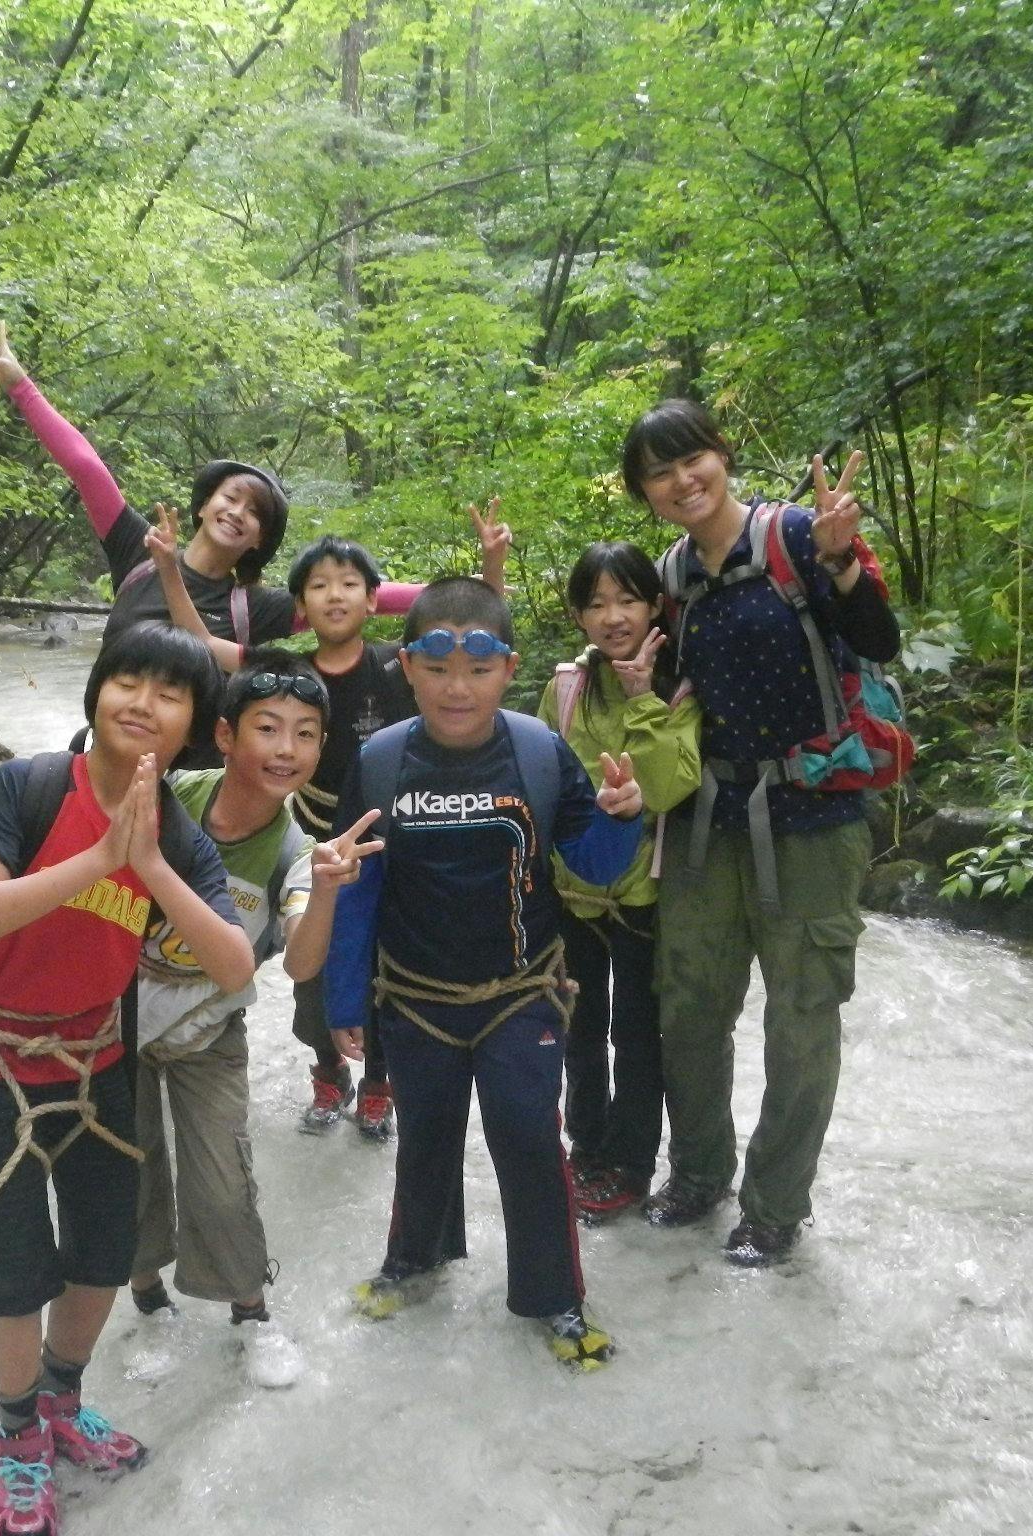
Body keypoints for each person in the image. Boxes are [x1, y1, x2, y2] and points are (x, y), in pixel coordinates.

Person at [0, 622, 253, 1536]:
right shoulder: (28, 786)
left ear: (196, 725)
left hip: (93, 1059)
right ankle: (16, 1438)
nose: (142, 703)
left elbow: (234, 967)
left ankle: (61, 1400)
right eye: (128, 681)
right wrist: (102, 861)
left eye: (169, 692)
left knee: (105, 1250)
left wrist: (149, 863)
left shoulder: (179, 838)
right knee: (12, 1266)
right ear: (98, 690)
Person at [323, 578, 645, 1370]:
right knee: (425, 1135)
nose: (456, 688)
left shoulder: (537, 753)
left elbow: (594, 864)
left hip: (521, 993)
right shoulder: (380, 761)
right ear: (407, 667)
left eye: (477, 669)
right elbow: (356, 891)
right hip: (414, 998)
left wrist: (623, 816)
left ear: (509, 669)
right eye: (436, 668)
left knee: (528, 1136)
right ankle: (415, 1259)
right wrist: (343, 998)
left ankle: (555, 1297)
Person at [620, 399, 900, 1267]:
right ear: (645, 494)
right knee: (691, 1009)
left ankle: (775, 1206)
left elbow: (878, 640)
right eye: (659, 474)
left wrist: (843, 559)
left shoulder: (800, 539)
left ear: (721, 453)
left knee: (802, 1020)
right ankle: (699, 1174)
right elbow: (665, 689)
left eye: (691, 459)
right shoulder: (672, 578)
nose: (682, 482)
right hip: (707, 821)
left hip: (812, 818)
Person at [127, 651, 380, 1389]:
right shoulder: (170, 796)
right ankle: (148, 1300)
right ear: (225, 735)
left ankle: (251, 1313)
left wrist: (327, 891)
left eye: (306, 734)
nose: (285, 749)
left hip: (209, 1031)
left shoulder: (299, 852)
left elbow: (300, 964)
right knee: (129, 1166)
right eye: (266, 728)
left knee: (222, 1181)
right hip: (116, 1025)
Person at [0, 320, 427, 670]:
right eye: (230, 498)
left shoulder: (253, 607)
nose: (237, 512)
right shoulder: (141, 549)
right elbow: (87, 468)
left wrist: (456, 593)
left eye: (254, 513)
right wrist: (21, 387)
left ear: (259, 540)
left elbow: (361, 596)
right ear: (204, 506)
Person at [281, 514, 511, 1139]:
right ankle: (329, 1070)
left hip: (395, 839)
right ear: (300, 604)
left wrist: (491, 567)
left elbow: (474, 640)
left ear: (373, 599)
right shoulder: (291, 674)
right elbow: (218, 655)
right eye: (319, 584)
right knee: (318, 965)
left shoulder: (397, 665)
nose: (334, 595)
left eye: (349, 582)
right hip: (315, 839)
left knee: (388, 960)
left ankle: (379, 1082)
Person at [537, 543, 702, 1222]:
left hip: (642, 899)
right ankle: (587, 1146)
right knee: (578, 1028)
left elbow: (668, 787)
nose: (613, 617)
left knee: (636, 1036)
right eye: (597, 603)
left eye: (627, 599)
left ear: (655, 605)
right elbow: (541, 784)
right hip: (572, 894)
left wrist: (641, 698)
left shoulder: (680, 691)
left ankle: (631, 1164)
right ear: (579, 615)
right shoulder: (565, 689)